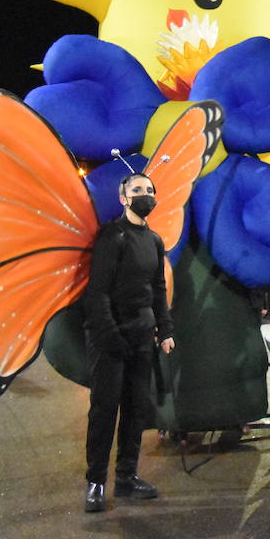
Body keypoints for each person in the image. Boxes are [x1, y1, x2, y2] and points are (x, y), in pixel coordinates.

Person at [82, 173, 176, 513]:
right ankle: (95, 483)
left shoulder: (153, 240)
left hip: (141, 337)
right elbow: (97, 293)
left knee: (136, 411)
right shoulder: (113, 236)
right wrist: (110, 337)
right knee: (104, 411)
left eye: (150, 190)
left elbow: (157, 289)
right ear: (124, 198)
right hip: (111, 339)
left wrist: (164, 329)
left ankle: (126, 478)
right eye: (138, 190)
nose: (145, 194)